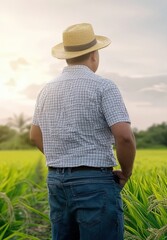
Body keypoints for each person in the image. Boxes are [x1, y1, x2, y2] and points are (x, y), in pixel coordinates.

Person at [29, 23, 136, 240]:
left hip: (56, 180)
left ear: (66, 56)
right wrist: (126, 172)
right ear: (94, 55)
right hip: (94, 181)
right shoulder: (104, 86)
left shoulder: (46, 90)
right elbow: (124, 136)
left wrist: (63, 158)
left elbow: (34, 135)